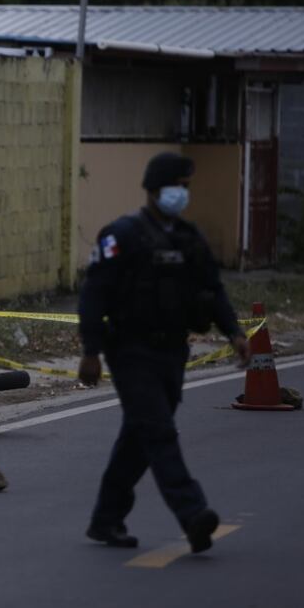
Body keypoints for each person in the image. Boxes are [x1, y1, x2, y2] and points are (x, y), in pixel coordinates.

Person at [77, 151, 251, 553]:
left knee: (140, 437)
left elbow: (212, 291)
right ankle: (193, 514)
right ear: (155, 190)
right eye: (179, 187)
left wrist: (235, 333)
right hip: (130, 351)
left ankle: (106, 519)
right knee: (158, 431)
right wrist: (91, 351)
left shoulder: (188, 239)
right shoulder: (121, 235)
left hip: (173, 352)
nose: (183, 194)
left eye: (186, 188)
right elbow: (93, 294)